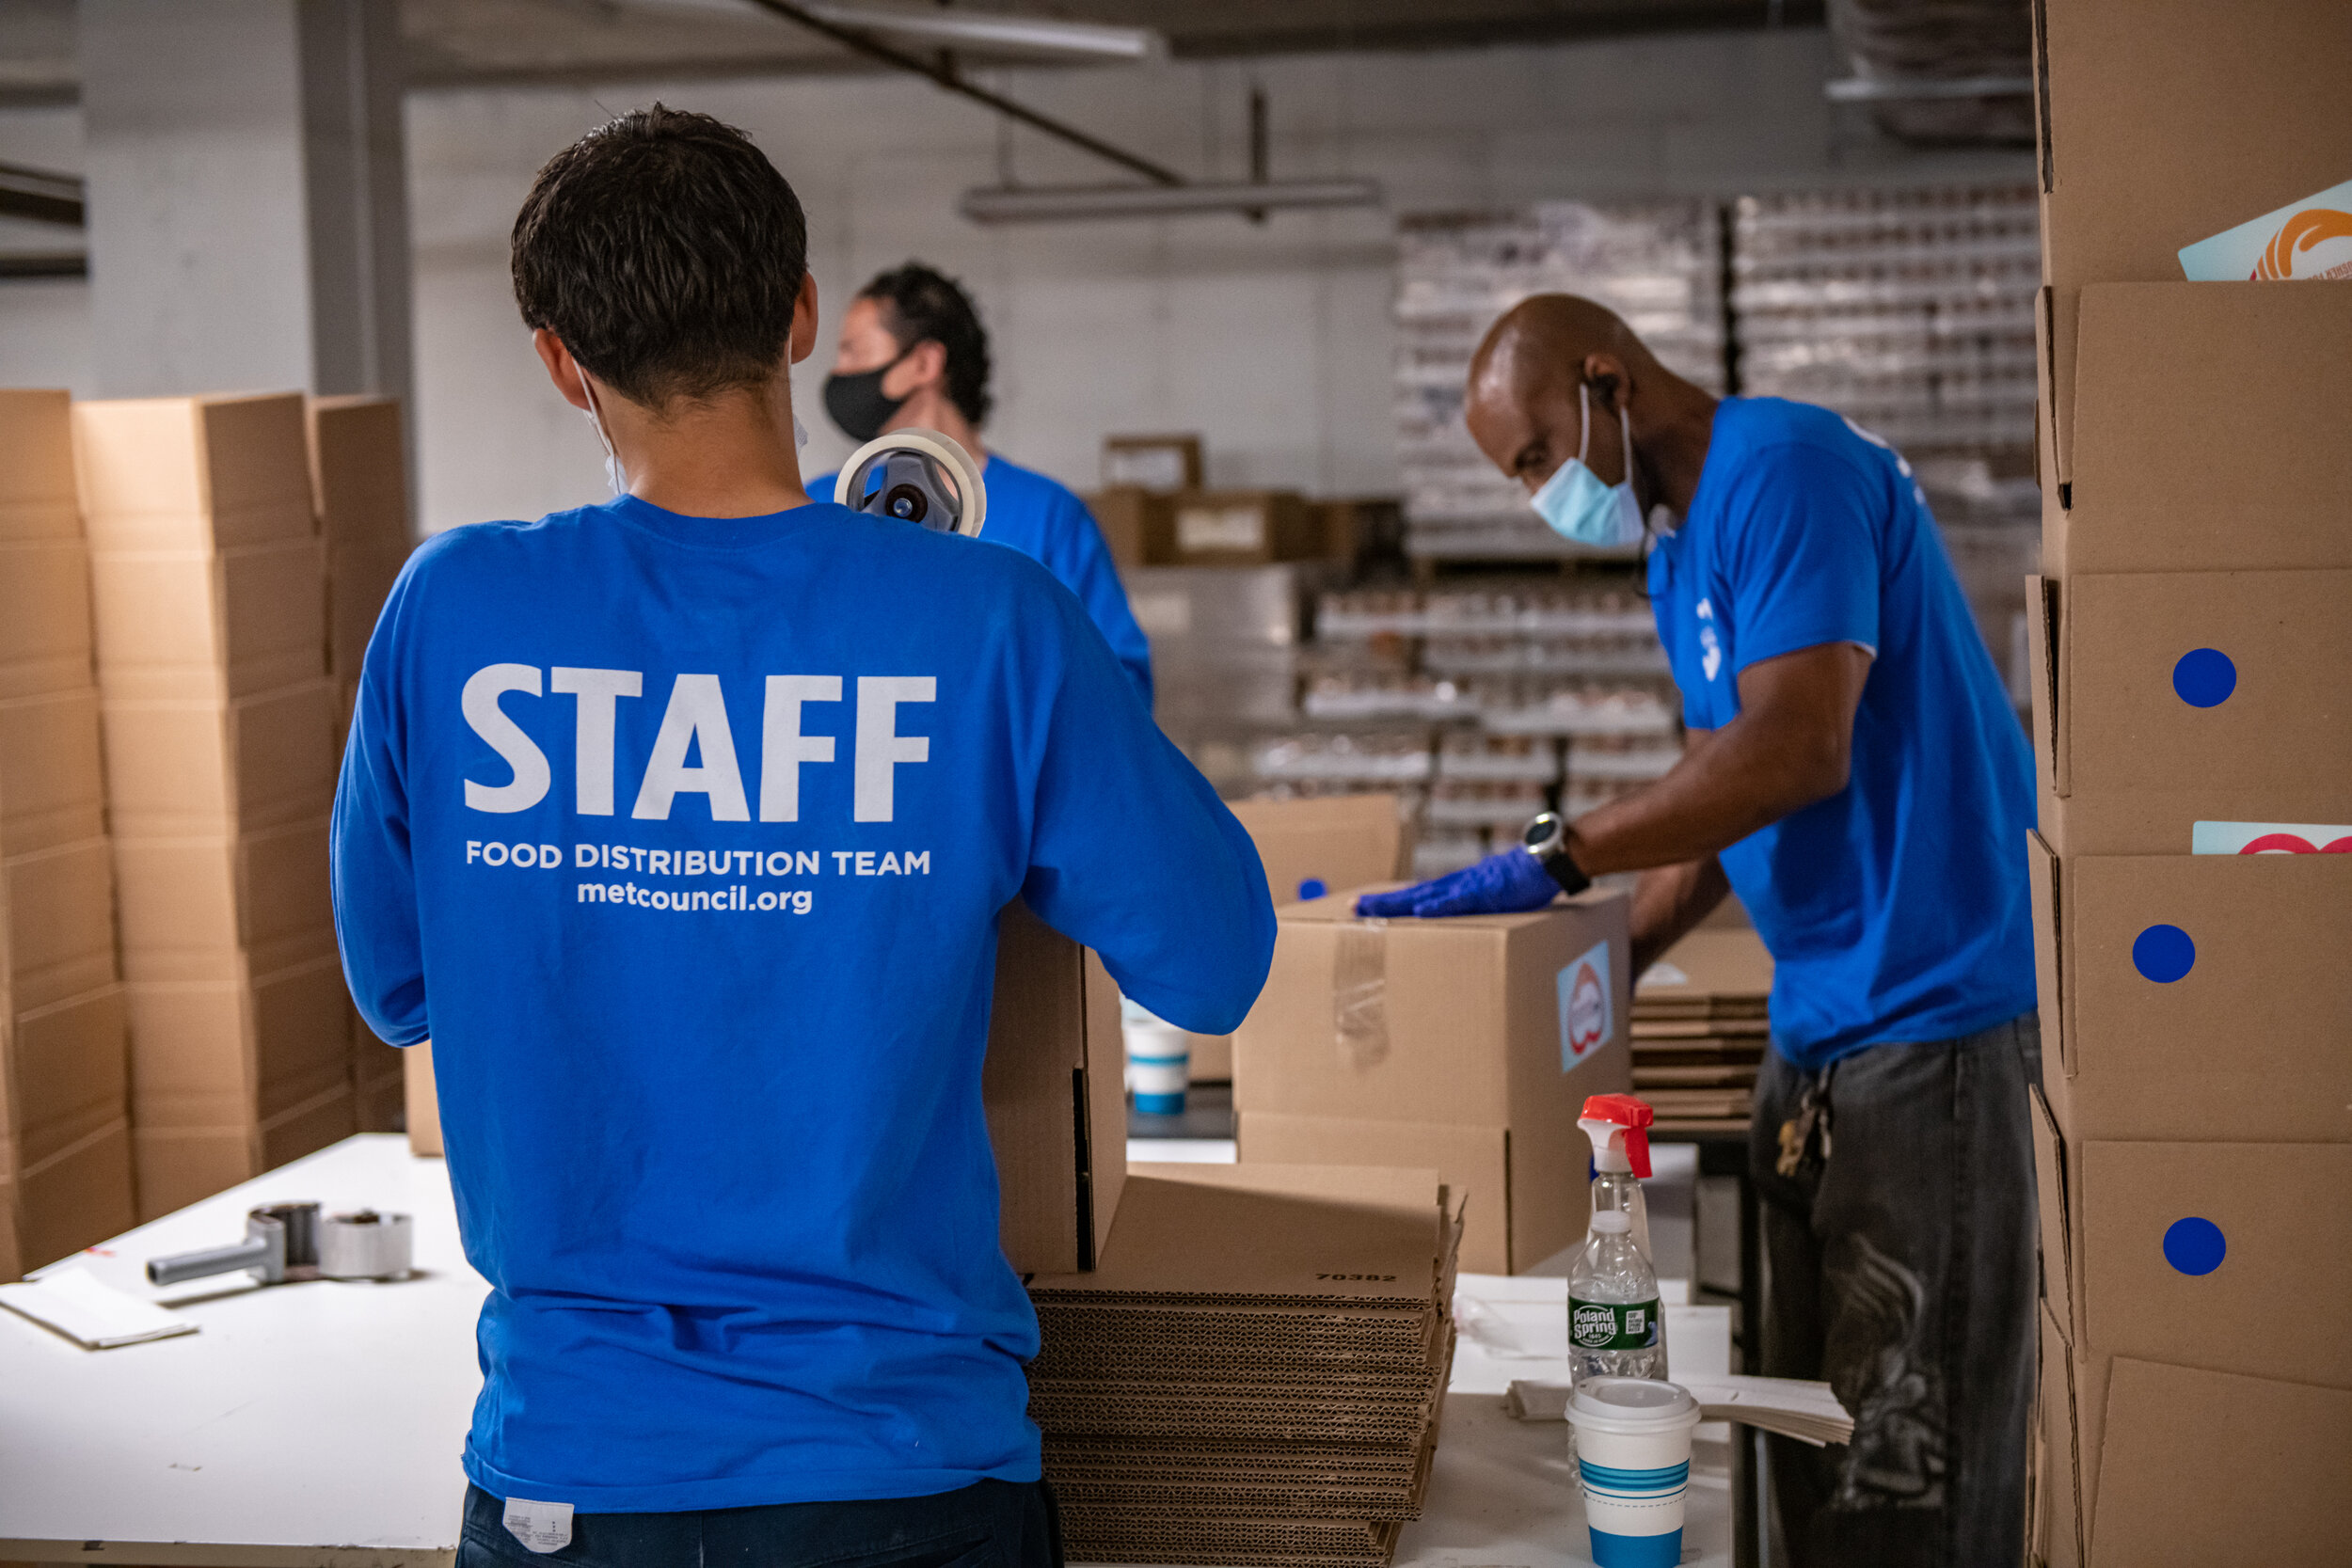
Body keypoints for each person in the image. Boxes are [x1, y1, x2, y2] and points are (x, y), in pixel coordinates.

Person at [330, 105, 1274, 1567]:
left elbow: (398, 984)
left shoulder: (448, 614)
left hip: (577, 1475)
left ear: (560, 361)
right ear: (798, 314)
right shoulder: (987, 617)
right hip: (905, 1469)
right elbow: (1217, 960)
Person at [1361, 295, 2040, 1568]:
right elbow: (1725, 803)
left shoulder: (1783, 470)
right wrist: (1567, 975)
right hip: (1823, 1032)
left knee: (1907, 1470)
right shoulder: (1679, 552)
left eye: (1533, 459)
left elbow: (1796, 745)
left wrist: (1558, 854)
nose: (1536, 497)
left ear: (1604, 382)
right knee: (1808, 1445)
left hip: (1930, 1025)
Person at [812, 262, 1155, 704]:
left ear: (923, 362)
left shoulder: (1045, 516)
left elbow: (1124, 688)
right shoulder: (822, 507)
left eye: (852, 352)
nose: (839, 372)